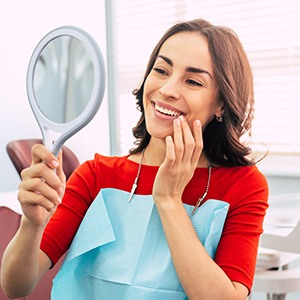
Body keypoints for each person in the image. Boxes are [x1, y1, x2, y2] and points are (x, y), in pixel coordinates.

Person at [1, 18, 268, 300]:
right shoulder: (96, 176)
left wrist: (168, 200)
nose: (167, 89)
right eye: (161, 70)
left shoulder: (244, 186)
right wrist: (31, 225)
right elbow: (17, 286)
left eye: (192, 81)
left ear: (221, 104)